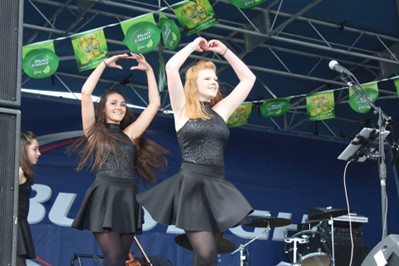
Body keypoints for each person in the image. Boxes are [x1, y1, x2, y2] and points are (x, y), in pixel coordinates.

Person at [137, 37, 256, 266]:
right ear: (194, 83)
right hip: (192, 186)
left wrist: (225, 51)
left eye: (216, 79)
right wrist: (193, 45)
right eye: (208, 78)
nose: (214, 82)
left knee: (208, 257)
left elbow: (248, 79)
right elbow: (172, 67)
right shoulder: (183, 110)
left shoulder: (221, 111)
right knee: (205, 252)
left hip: (217, 186)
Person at [71, 52, 167, 266]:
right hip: (104, 196)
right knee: (113, 257)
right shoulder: (95, 132)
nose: (119, 107)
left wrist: (150, 71)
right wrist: (104, 64)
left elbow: (154, 104)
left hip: (127, 198)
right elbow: (86, 93)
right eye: (114, 103)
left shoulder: (130, 134)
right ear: (103, 108)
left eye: (123, 104)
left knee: (121, 259)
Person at [18, 131, 41, 266]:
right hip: (12, 225)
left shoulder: (23, 172)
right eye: (34, 149)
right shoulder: (18, 172)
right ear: (23, 150)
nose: (39, 153)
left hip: (18, 223)